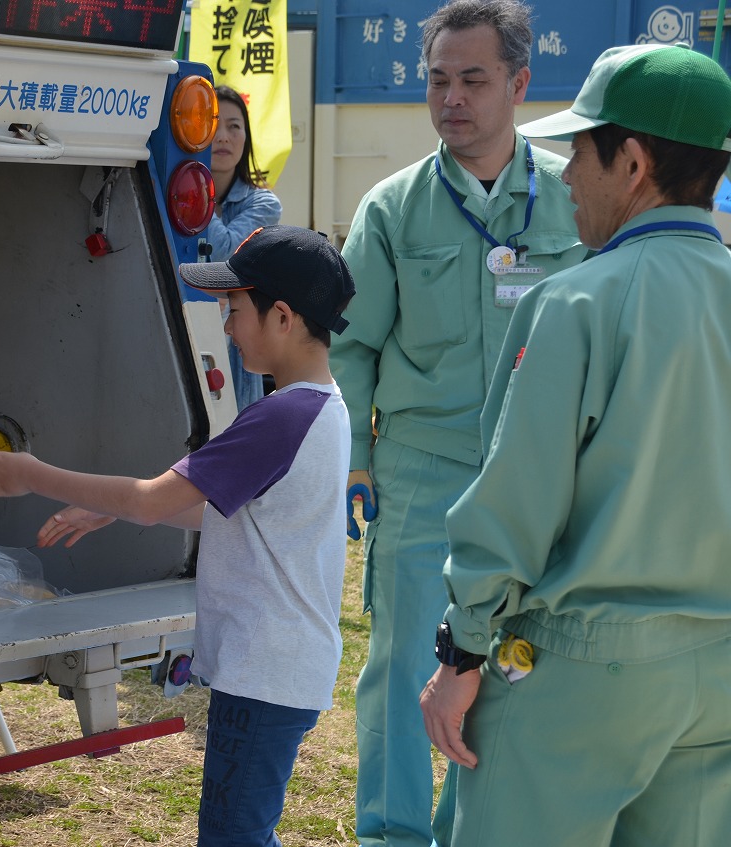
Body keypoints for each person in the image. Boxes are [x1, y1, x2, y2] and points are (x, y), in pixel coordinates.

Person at [420, 42, 731, 847]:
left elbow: (516, 499)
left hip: (581, 671)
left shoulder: (578, 301)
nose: (563, 176)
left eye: (578, 152)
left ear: (631, 162)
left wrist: (462, 652)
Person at [0, 226, 354, 847]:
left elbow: (151, 500)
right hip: (282, 665)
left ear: (282, 315)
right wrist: (115, 511)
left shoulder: (281, 417)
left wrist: (32, 475)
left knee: (232, 836)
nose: (226, 325)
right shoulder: (322, 407)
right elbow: (221, 512)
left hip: (264, 671)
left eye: (234, 309)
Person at [328, 2, 587, 845]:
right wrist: (356, 457)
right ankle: (392, 833)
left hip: (540, 475)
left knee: (514, 664)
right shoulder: (394, 208)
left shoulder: (572, 199)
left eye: (473, 80)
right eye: (438, 79)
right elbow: (352, 346)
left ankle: (465, 829)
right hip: (420, 470)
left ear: (518, 84)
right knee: (404, 667)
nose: (452, 98)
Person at [207, 85, 282, 410]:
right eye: (211, 125)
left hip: (235, 360)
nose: (223, 136)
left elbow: (222, 256)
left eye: (234, 126)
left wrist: (192, 187)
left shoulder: (263, 204)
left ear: (246, 137)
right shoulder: (165, 197)